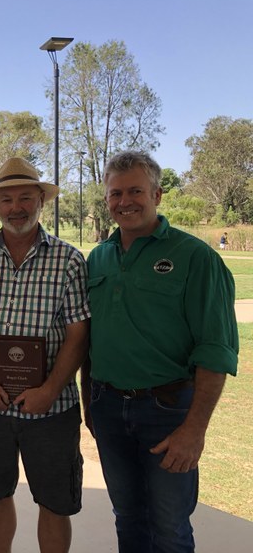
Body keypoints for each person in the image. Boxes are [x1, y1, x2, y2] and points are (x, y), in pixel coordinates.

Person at [83, 150, 238, 553]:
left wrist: (195, 430)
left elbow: (215, 349)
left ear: (158, 194)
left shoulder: (196, 258)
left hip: (168, 412)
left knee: (169, 526)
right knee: (128, 517)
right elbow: (89, 340)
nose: (125, 201)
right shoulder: (97, 259)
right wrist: (89, 402)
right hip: (108, 407)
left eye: (136, 190)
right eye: (115, 194)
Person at [0, 157, 90, 553]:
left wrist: (49, 390)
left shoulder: (68, 260)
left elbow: (78, 333)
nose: (16, 208)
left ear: (41, 201)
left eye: (25, 197)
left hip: (51, 409)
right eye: (7, 199)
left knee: (54, 501)